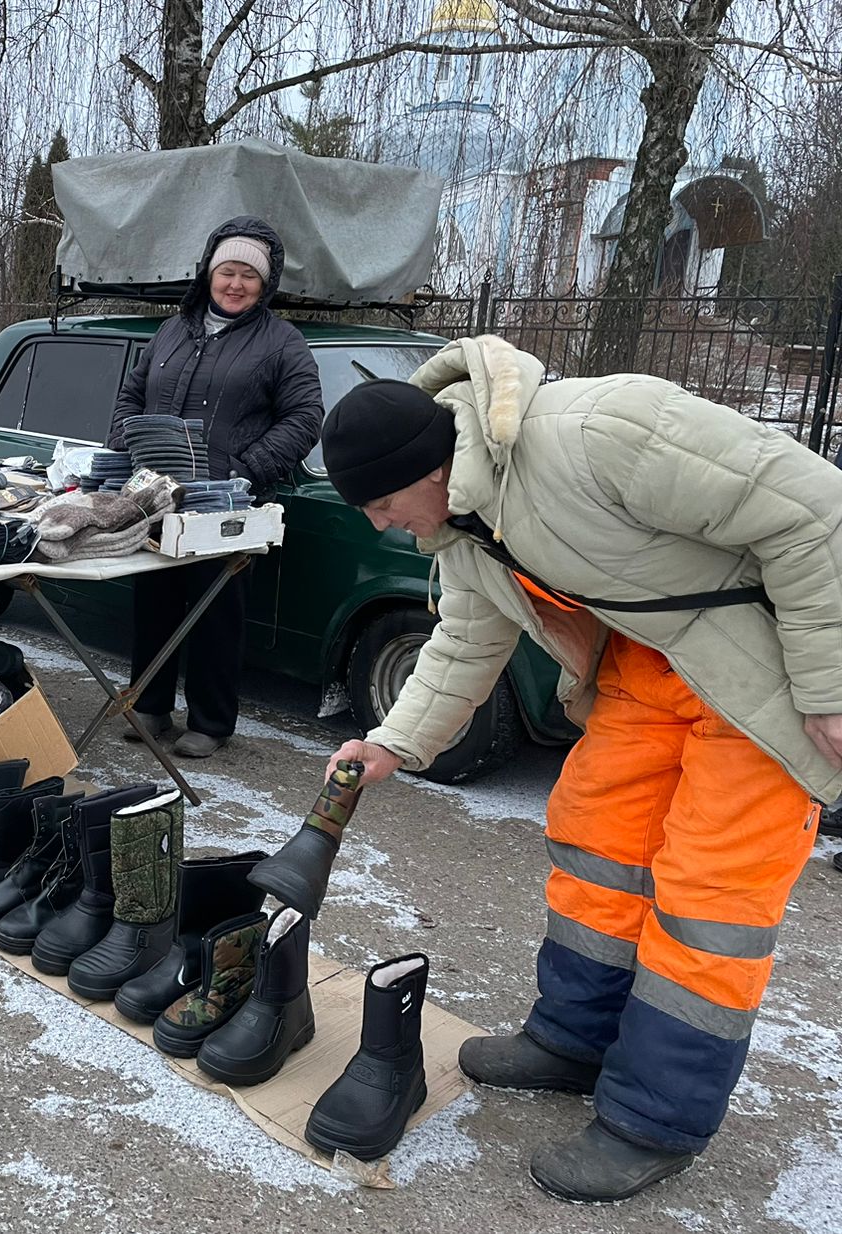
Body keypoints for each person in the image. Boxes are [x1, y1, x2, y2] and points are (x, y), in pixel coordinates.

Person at [315, 336, 842, 1202]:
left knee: (710, 897)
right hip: (646, 673)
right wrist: (395, 742)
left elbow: (812, 510)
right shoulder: (462, 529)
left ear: (429, 463)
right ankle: (574, 1040)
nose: (379, 522)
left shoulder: (602, 430)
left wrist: (828, 686)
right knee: (597, 848)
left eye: (379, 502)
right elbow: (464, 639)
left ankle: (654, 1119)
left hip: (760, 680)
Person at [106, 217, 323, 758]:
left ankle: (210, 720)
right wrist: (125, 444)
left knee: (215, 610)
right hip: (155, 494)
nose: (235, 284)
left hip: (226, 501)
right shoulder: (171, 331)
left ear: (265, 284)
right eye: (227, 270)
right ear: (208, 272)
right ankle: (150, 707)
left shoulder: (282, 343)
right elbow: (131, 395)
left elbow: (304, 417)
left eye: (249, 275)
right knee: (153, 599)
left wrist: (244, 469)